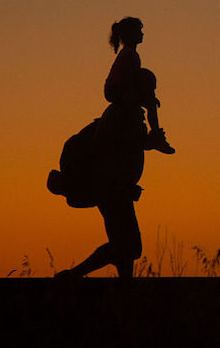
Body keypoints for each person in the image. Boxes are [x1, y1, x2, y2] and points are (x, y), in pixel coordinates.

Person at [55, 69, 165, 280]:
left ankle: (123, 287)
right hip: (110, 188)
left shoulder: (131, 113)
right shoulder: (117, 113)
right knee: (129, 245)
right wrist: (143, 143)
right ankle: (73, 276)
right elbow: (100, 146)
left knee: (125, 245)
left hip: (118, 188)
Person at [105, 17, 175, 154]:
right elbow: (129, 79)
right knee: (150, 102)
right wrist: (145, 97)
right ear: (131, 34)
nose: (142, 34)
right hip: (117, 91)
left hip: (117, 90)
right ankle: (155, 134)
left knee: (148, 92)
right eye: (139, 31)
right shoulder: (130, 54)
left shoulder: (129, 53)